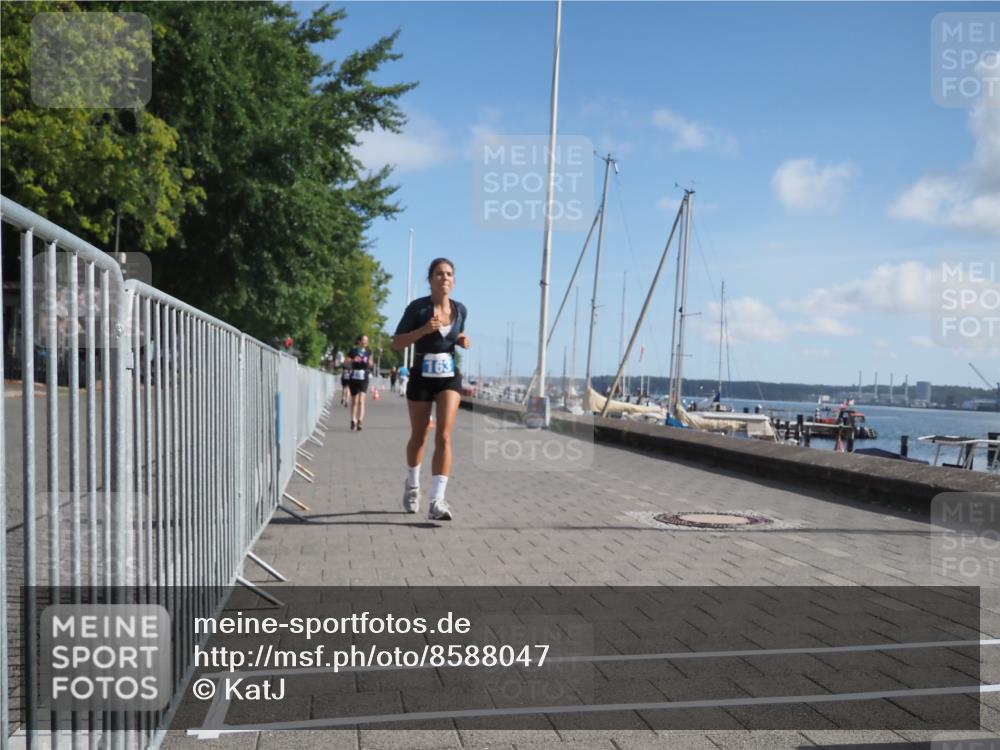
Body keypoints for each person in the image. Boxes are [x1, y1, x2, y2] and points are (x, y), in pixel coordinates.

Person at [392, 258, 470, 521]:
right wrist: (423, 330)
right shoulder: (418, 308)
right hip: (421, 375)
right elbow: (397, 342)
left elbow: (453, 334)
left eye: (449, 274)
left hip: (448, 375)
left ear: (454, 280)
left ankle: (437, 500)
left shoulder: (460, 310)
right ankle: (412, 485)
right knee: (419, 435)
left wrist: (461, 339)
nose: (444, 278)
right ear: (430, 279)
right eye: (439, 274)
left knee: (445, 436)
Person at [346, 334, 373, 431]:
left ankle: (360, 421)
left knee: (361, 400)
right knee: (354, 401)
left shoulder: (368, 351)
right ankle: (353, 420)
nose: (365, 342)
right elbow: (346, 362)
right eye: (363, 340)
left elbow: (371, 363)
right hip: (354, 377)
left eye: (367, 340)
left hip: (364, 377)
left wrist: (369, 363)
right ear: (359, 341)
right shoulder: (353, 351)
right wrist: (354, 359)